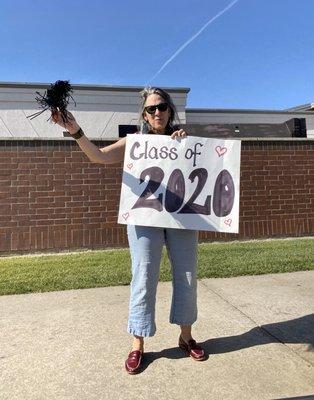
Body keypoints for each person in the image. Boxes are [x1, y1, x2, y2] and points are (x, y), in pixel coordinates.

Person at [52, 87, 205, 374]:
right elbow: (97, 156)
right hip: (144, 217)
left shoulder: (183, 141)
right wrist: (75, 131)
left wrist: (185, 146)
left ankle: (186, 337)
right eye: (151, 109)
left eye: (161, 107)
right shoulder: (135, 144)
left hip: (182, 218)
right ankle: (138, 343)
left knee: (187, 274)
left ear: (170, 110)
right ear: (144, 116)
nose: (157, 112)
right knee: (143, 273)